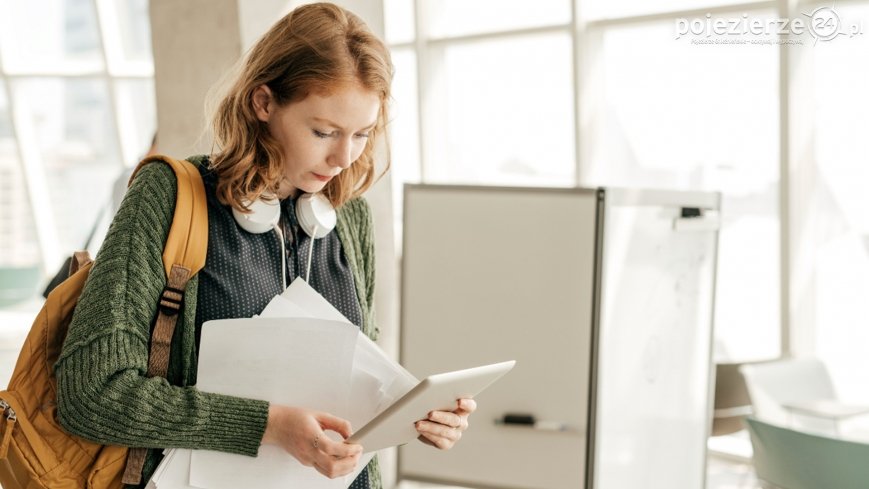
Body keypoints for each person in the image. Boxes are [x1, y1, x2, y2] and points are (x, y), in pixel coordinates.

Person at [53, 4, 476, 488]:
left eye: (361, 134)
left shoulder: (349, 216)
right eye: (323, 132)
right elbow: (91, 394)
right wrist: (269, 427)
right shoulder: (169, 197)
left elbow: (354, 389)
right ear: (263, 103)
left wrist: (411, 416)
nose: (343, 158)